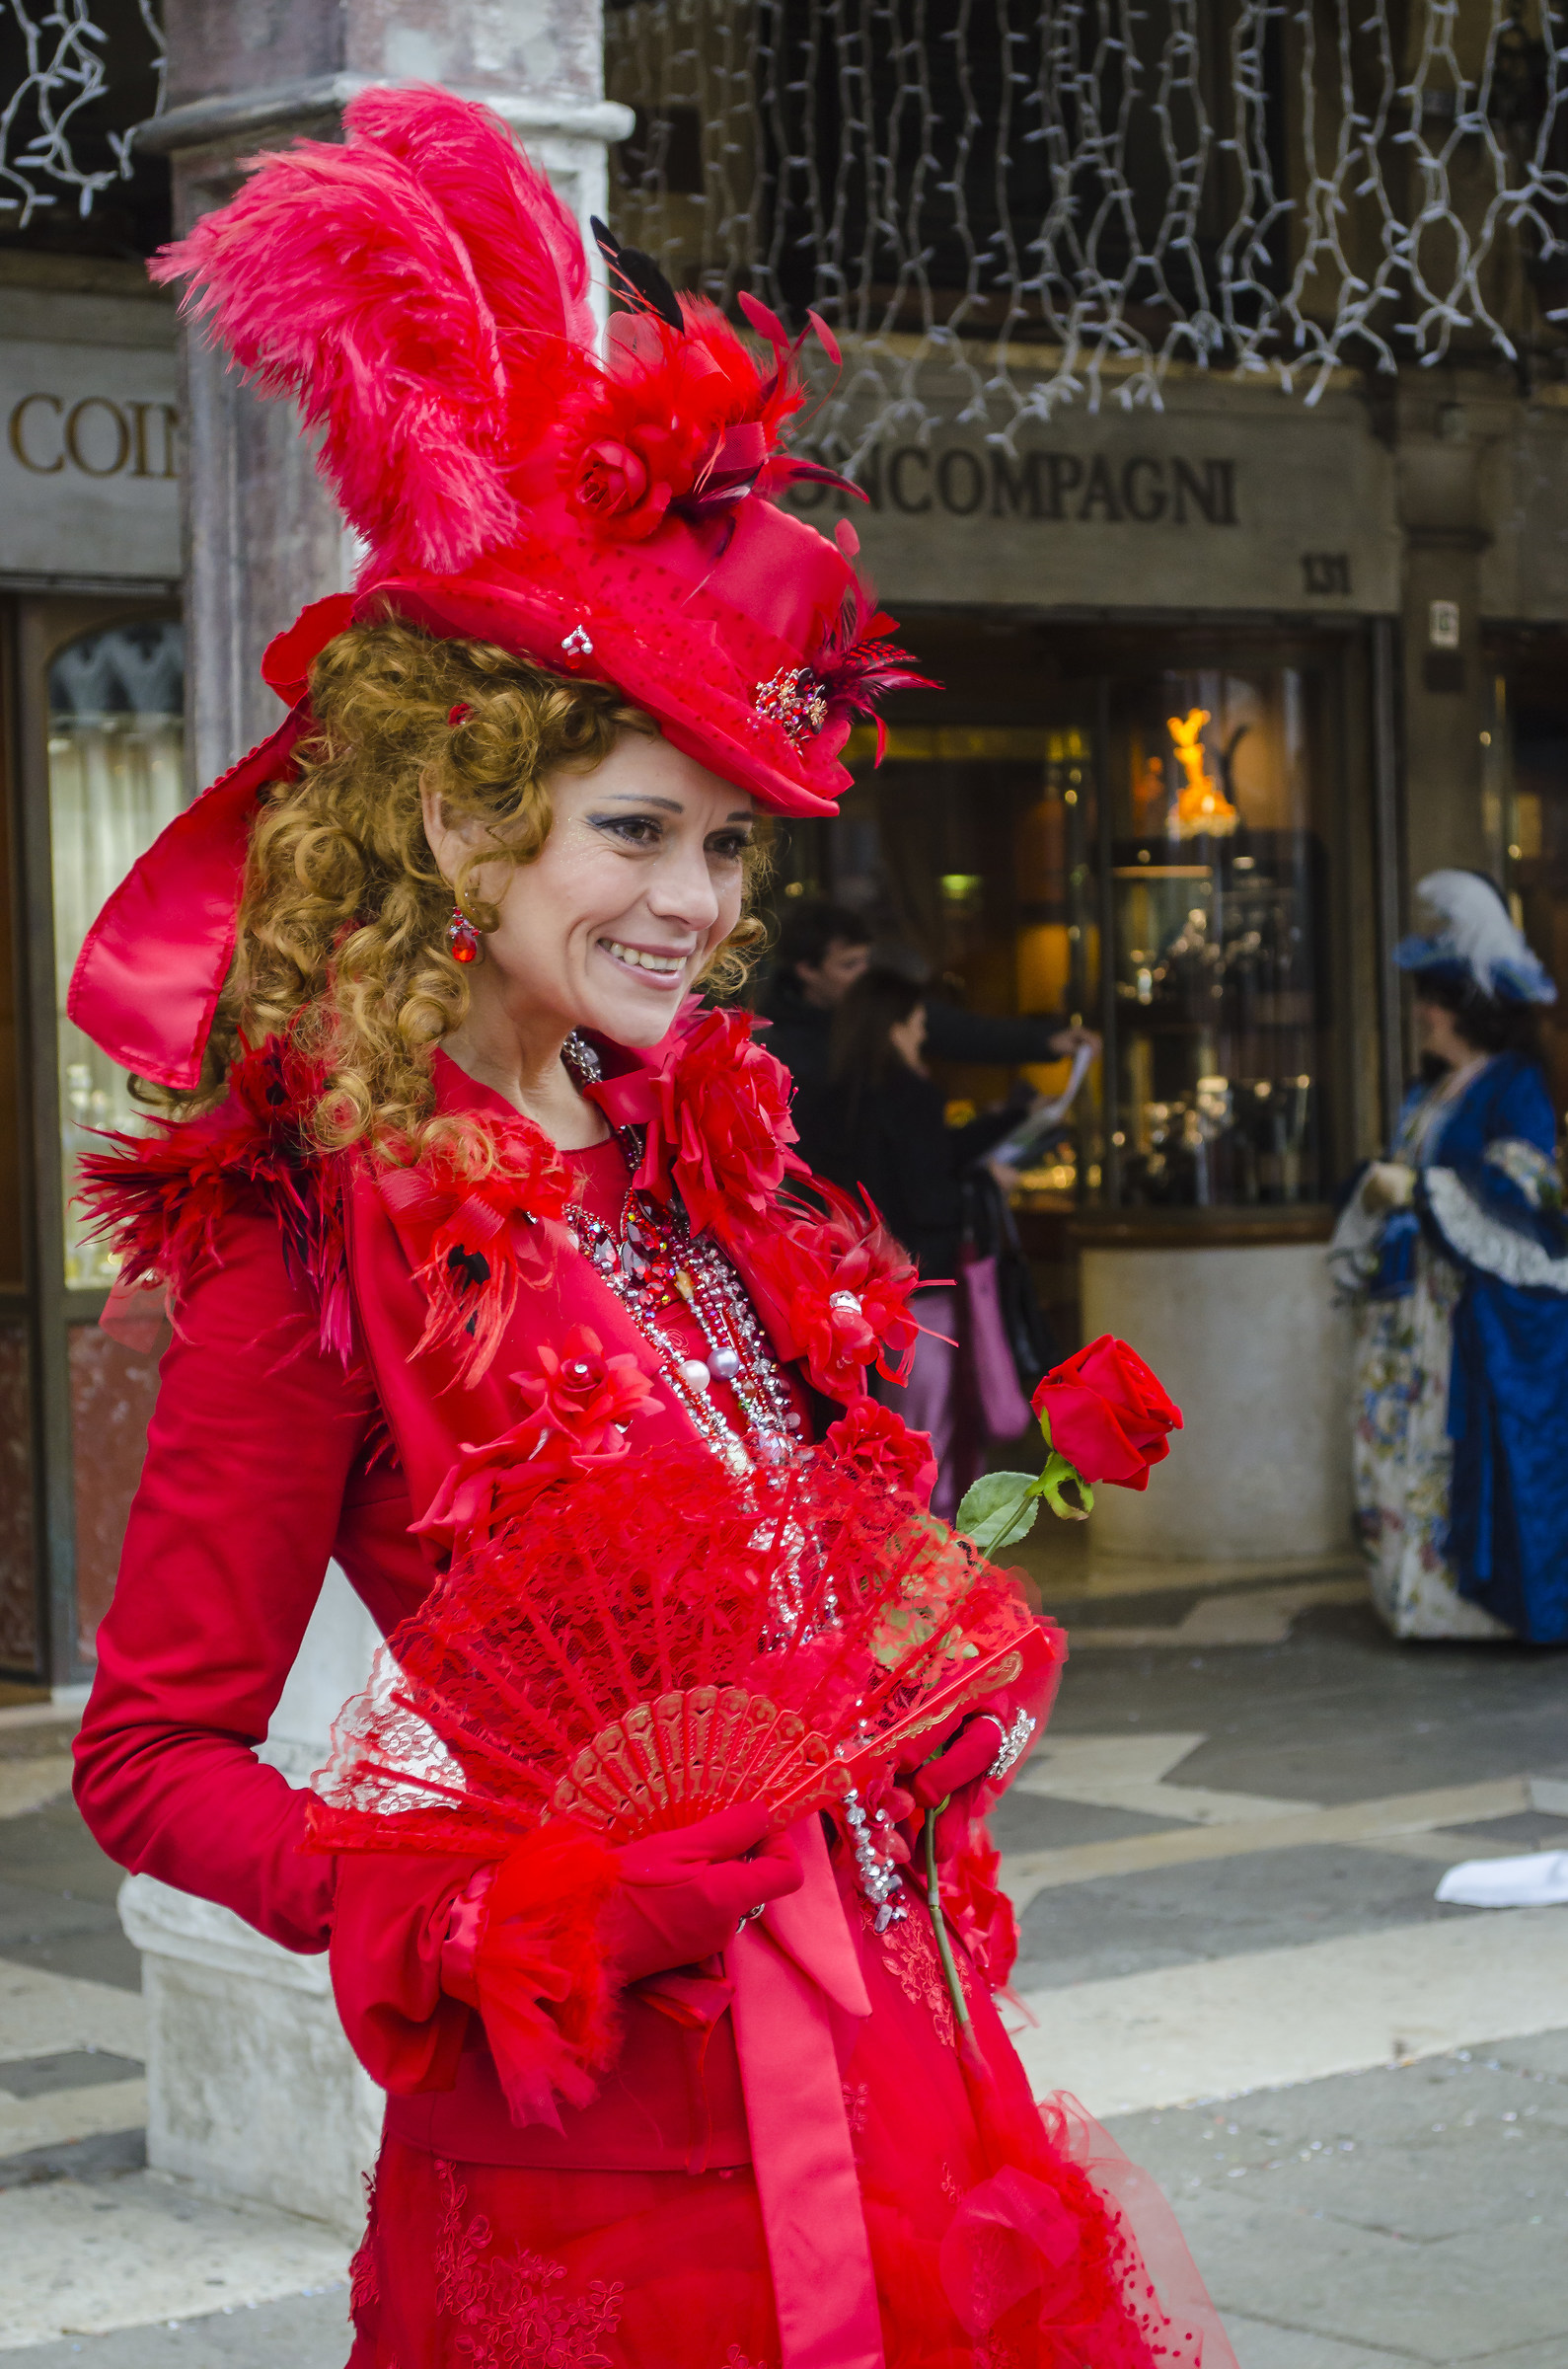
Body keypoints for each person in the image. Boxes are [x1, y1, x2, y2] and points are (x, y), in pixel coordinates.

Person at [67, 91, 1233, 2369]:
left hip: (915, 2074)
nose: (696, 904)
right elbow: (153, 1754)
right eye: (635, 828)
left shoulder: (709, 1177)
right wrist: (473, 1892)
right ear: (449, 809)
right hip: (615, 2191)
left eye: (723, 843)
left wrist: (952, 1629)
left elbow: (818, 1579)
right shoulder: (306, 1243)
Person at [1331, 870, 1568, 1642]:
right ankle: (1412, 1597)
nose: (1423, 1013)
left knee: (1447, 1445)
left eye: (1433, 999)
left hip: (1464, 1307)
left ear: (1466, 1007)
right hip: (1409, 1305)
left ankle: (1461, 1606)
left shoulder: (1513, 1084)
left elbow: (1527, 1185)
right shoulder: (1428, 1089)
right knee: (1400, 1444)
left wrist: (1423, 1189)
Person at [796, 967, 1052, 1518]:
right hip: (923, 1298)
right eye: (915, 1025)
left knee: (880, 1434)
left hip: (857, 1298)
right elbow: (928, 1196)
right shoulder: (911, 1095)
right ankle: (938, 1562)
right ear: (893, 1029)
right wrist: (989, 1184)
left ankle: (889, 1552)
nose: (921, 1037)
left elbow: (922, 1159)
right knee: (936, 1436)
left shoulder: (830, 1097)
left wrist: (1006, 1121)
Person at [762, 896, 1099, 1094]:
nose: (864, 974)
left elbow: (964, 1031)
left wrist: (1047, 1041)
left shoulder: (879, 1003)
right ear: (807, 970)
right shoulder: (775, 1038)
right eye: (849, 965)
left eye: (866, 960)